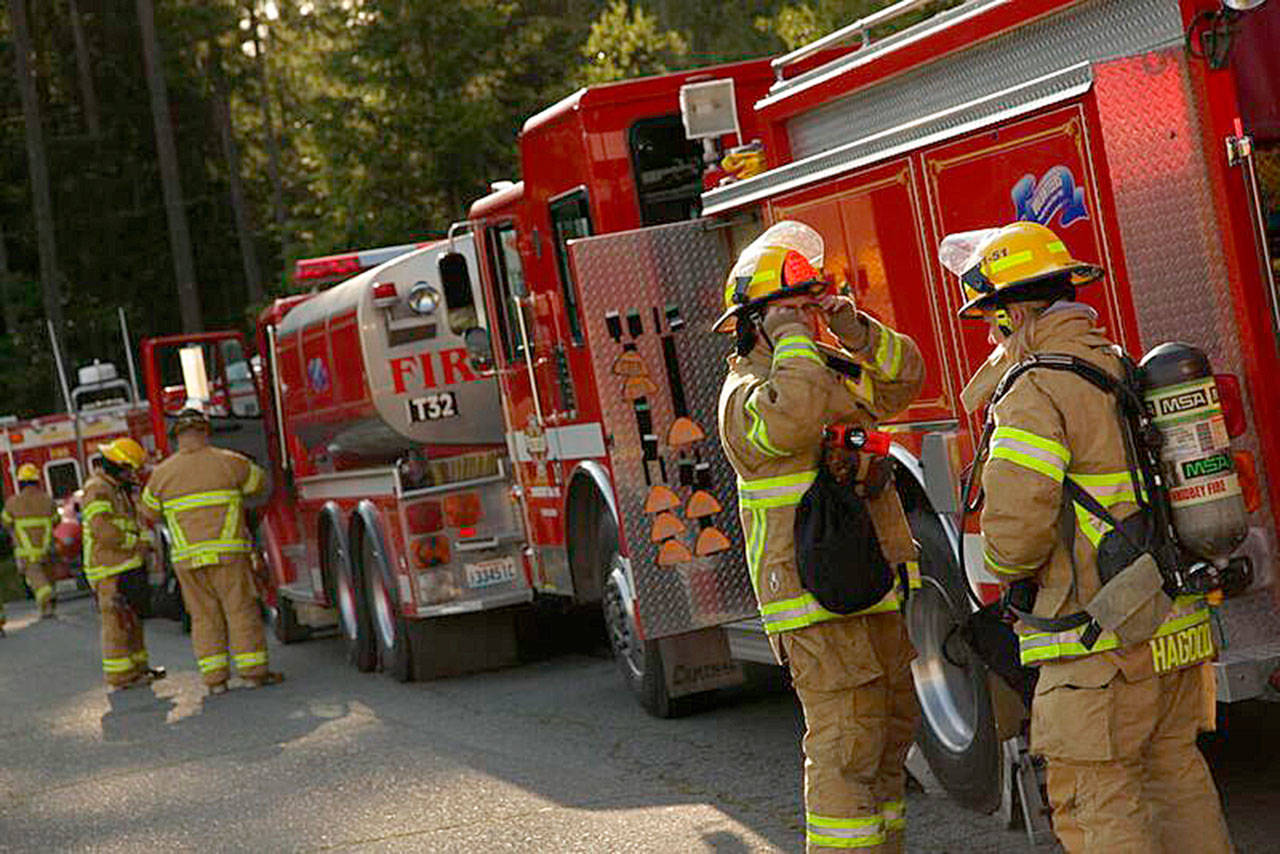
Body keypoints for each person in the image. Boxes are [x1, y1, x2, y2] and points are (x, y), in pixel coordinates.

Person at [943, 221, 1231, 852]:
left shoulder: (1035, 389)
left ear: (1013, 311)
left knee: (1093, 799)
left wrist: (997, 558)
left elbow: (1015, 540)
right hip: (1170, 623)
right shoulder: (1117, 363)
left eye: (994, 318)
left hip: (1097, 640)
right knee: (1175, 779)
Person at [715, 221, 924, 853]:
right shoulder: (749, 394)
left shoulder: (816, 367)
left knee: (889, 738)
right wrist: (792, 341)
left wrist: (852, 326)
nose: (808, 320)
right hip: (812, 601)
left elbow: (901, 381)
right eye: (794, 310)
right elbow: (794, 423)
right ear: (757, 322)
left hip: (868, 584)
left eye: (811, 306)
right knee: (844, 751)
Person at [141, 408, 281, 696]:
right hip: (228, 552)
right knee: (239, 610)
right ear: (205, 431)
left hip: (188, 559)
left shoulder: (161, 474)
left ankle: (215, 680)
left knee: (203, 616)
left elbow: (149, 512)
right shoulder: (230, 462)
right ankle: (253, 673)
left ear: (177, 438)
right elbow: (262, 485)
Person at [83, 437, 165, 690]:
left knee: (132, 620)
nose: (132, 474)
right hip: (109, 569)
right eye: (129, 469)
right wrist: (134, 543)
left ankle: (139, 669)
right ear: (116, 466)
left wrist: (144, 544)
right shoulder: (98, 489)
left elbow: (133, 521)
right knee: (116, 623)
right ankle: (120, 676)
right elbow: (103, 531)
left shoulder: (117, 489)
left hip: (126, 565)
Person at [3, 463, 62, 619]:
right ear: (37, 481)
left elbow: (5, 522)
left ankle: (48, 598)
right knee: (48, 578)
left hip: (27, 552)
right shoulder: (48, 501)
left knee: (38, 583)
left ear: (21, 483)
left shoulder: (12, 502)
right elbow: (57, 521)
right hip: (47, 549)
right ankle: (47, 609)